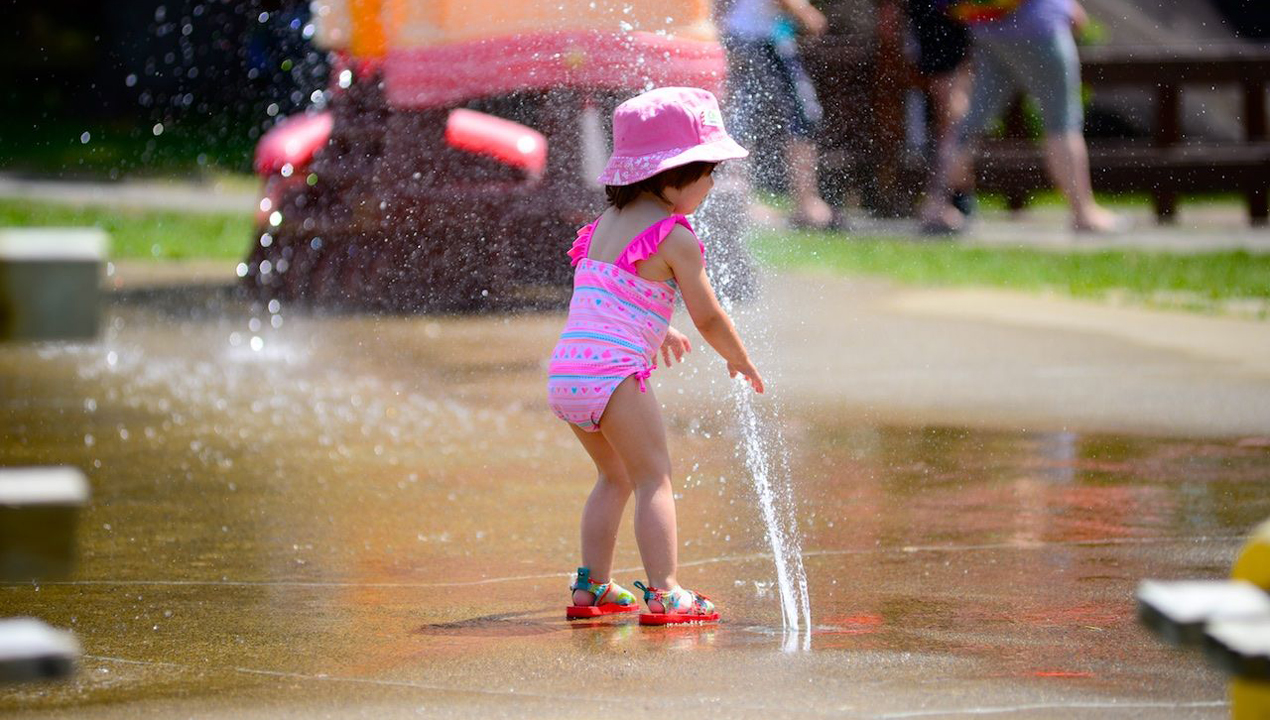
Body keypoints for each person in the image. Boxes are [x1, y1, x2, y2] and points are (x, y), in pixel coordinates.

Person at [547, 87, 765, 626]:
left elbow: (608, 293)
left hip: (569, 372)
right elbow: (710, 316)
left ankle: (592, 589)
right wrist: (738, 358)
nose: (713, 184)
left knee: (613, 477)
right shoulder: (675, 236)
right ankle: (667, 594)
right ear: (673, 175)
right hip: (616, 375)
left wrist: (656, 326)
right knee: (654, 479)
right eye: (708, 172)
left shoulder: (603, 225)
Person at [919, 0, 1122, 234]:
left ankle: (936, 203)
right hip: (1039, 28)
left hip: (988, 29)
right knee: (1062, 123)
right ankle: (1084, 212)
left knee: (971, 123)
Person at [721, 0, 835, 229]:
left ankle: (740, 199)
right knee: (798, 116)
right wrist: (807, 15)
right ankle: (806, 203)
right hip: (756, 38)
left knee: (745, 117)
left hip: (749, 35)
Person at [908, 0, 976, 216]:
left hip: (963, 16)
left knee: (952, 111)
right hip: (945, 15)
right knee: (952, 111)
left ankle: (953, 193)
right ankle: (943, 198)